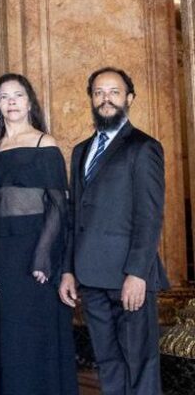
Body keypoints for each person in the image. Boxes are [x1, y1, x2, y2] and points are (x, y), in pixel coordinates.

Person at [60, 67, 167, 395]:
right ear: (91, 98)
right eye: (98, 92)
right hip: (90, 278)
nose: (106, 99)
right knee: (108, 362)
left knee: (140, 362)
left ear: (129, 98)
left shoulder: (144, 147)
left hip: (129, 277)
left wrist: (137, 273)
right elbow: (73, 215)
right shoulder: (80, 151)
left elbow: (149, 216)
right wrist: (68, 270)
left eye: (114, 92)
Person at [0, 74, 76, 395]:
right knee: (9, 338)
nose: (11, 102)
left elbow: (58, 205)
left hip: (36, 248)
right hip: (3, 254)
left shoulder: (43, 144)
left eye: (17, 96)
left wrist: (43, 255)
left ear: (29, 101)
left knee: (36, 334)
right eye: (4, 97)